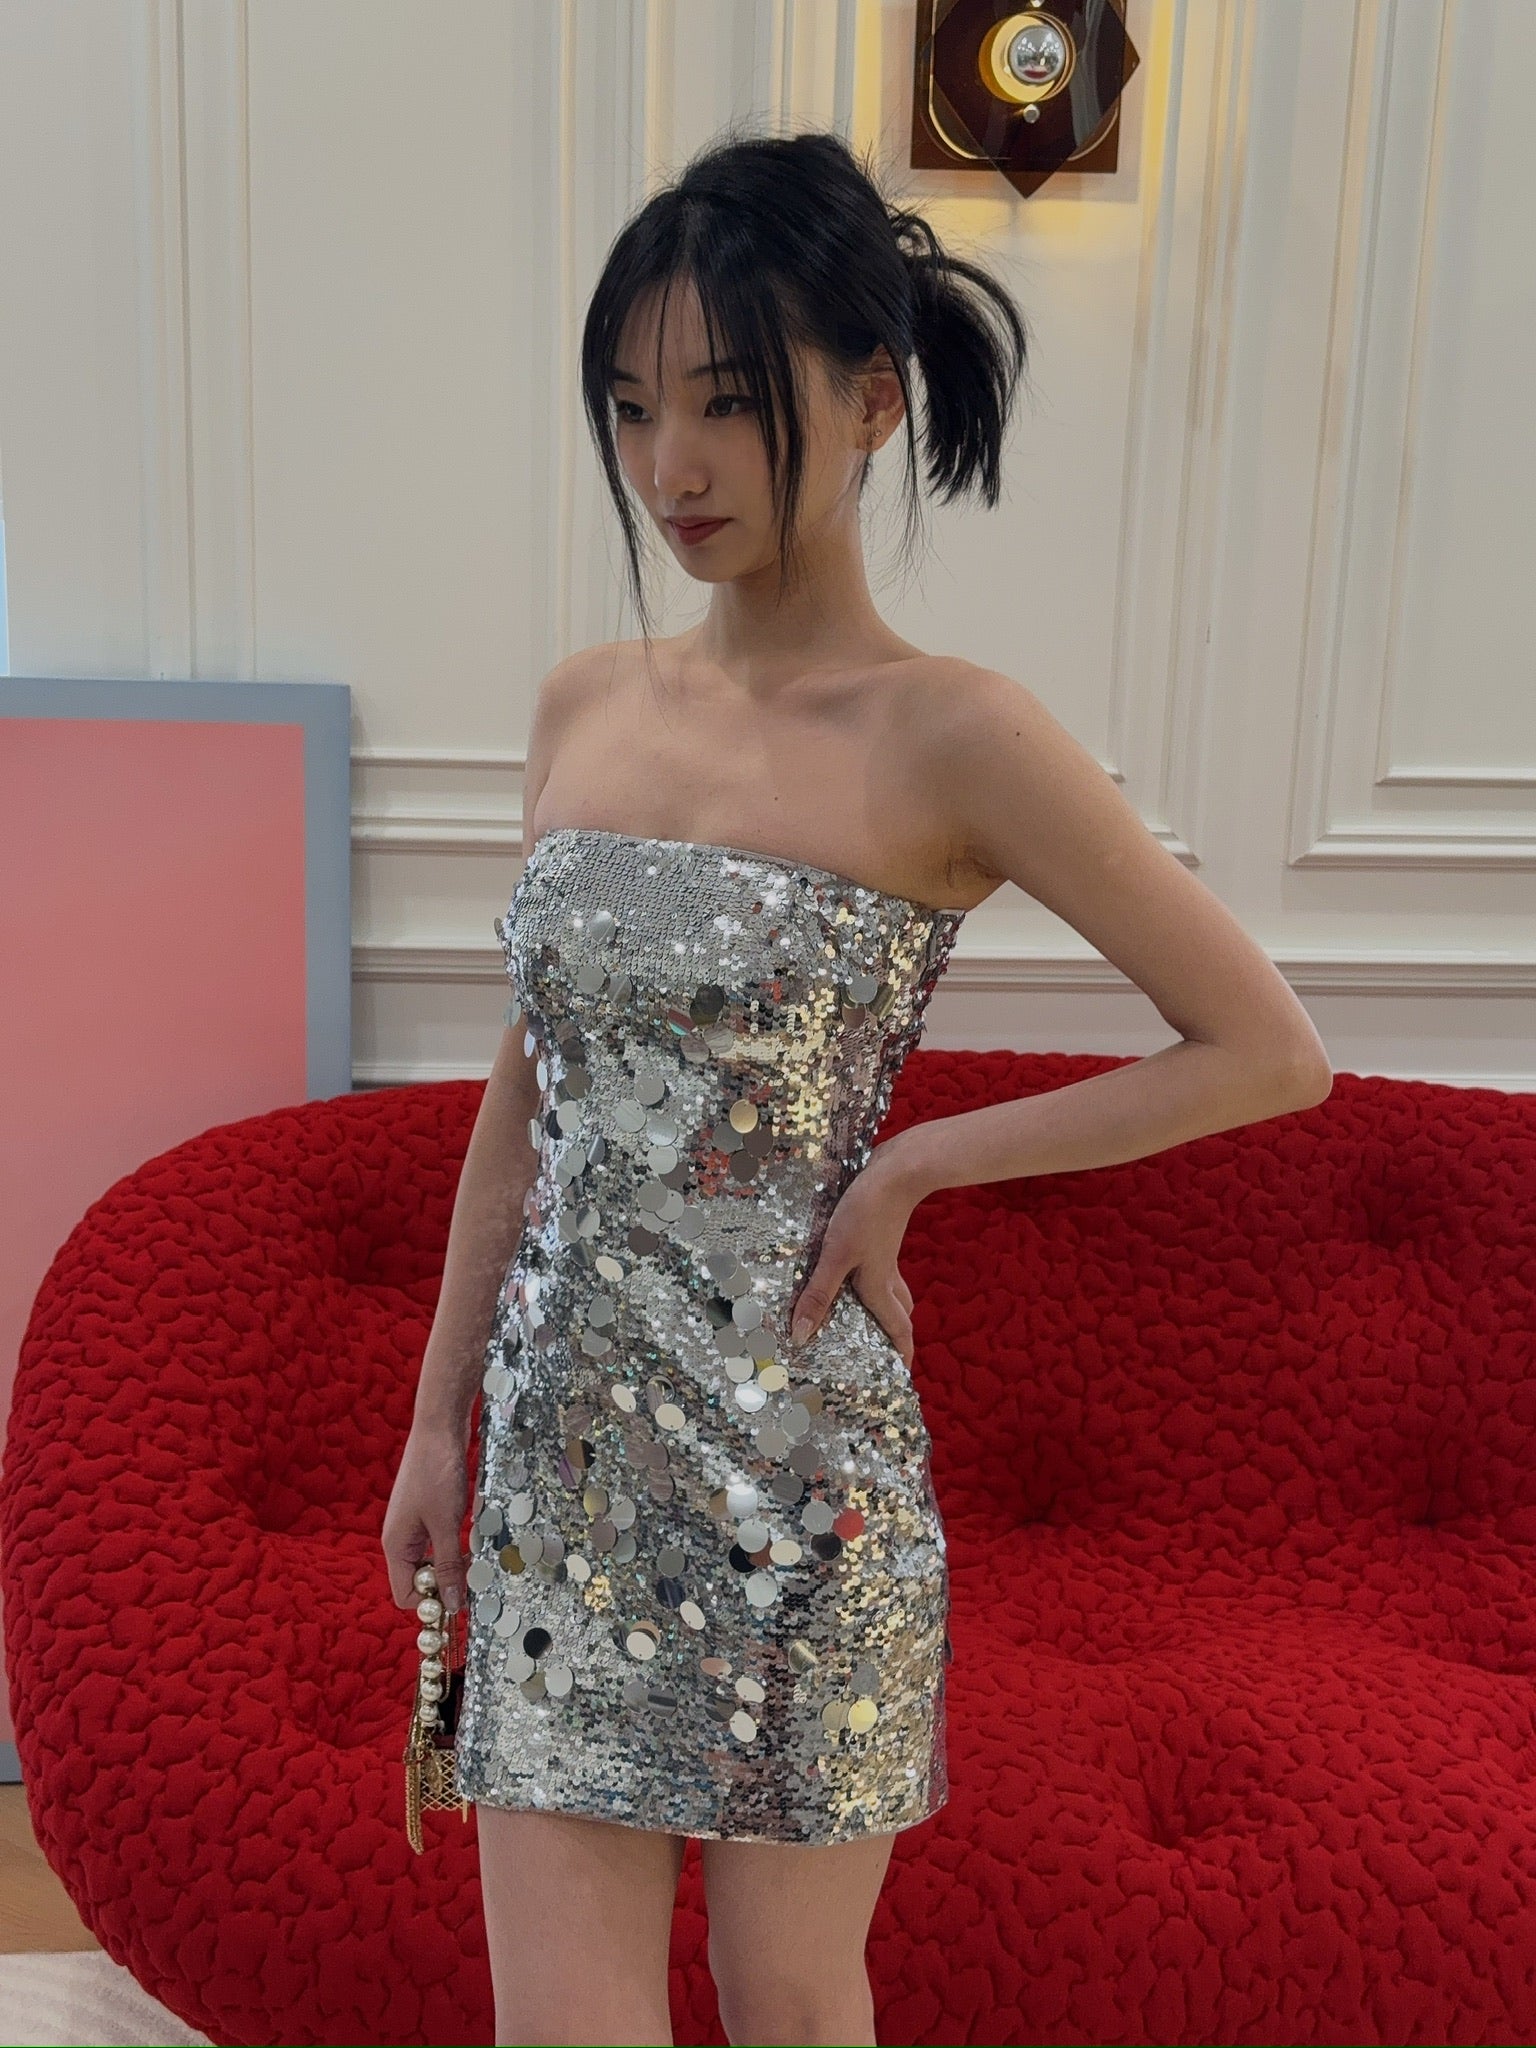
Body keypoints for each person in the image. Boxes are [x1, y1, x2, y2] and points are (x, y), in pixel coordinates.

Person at [382, 124, 1331, 2048]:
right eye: (632, 405)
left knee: (795, 2002)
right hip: (564, 1469)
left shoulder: (954, 733)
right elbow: (528, 1100)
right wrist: (433, 1420)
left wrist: (913, 1166)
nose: (673, 465)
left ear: (874, 398)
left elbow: (1265, 1051)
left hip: (803, 1467)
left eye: (730, 402)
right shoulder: (585, 704)